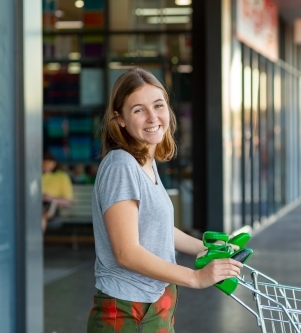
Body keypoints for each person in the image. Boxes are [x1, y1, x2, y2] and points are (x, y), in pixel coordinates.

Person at [87, 68, 242, 333]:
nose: (152, 117)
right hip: (129, 310)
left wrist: (204, 248)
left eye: (158, 105)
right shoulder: (121, 165)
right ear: (120, 119)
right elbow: (127, 253)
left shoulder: (145, 162)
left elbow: (155, 228)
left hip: (155, 301)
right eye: (138, 110)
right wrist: (194, 278)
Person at [41, 151, 74, 232]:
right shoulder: (34, 174)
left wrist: (51, 198)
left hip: (53, 207)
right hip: (37, 205)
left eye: (49, 164)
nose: (46, 167)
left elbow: (68, 201)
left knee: (43, 212)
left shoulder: (62, 176)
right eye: (44, 164)